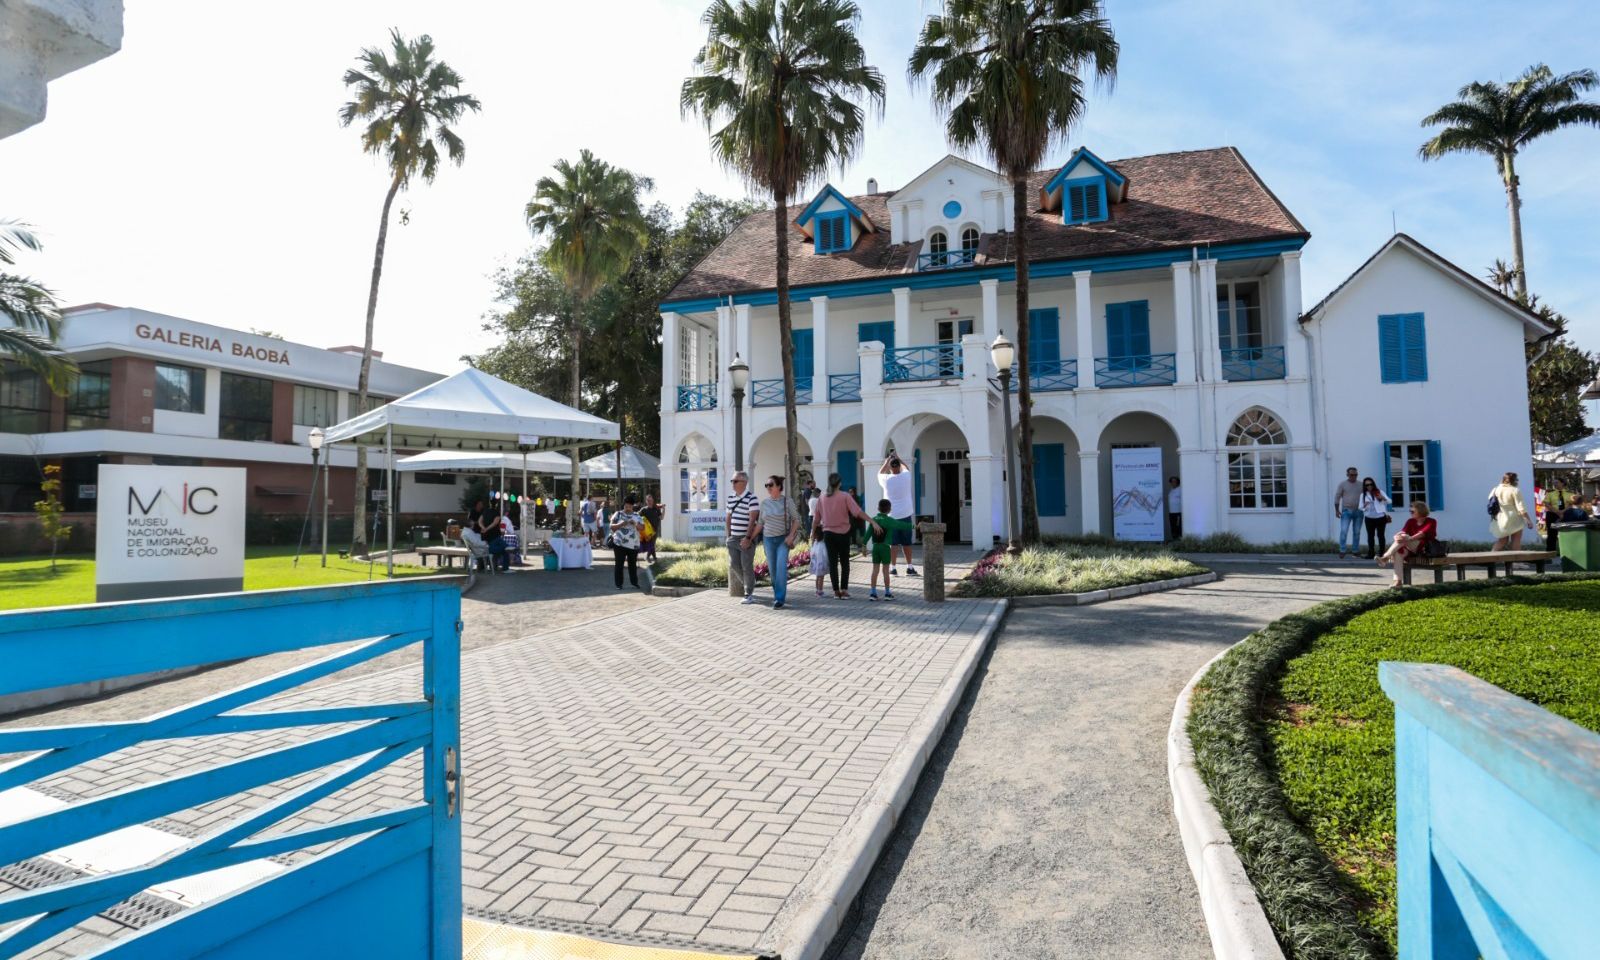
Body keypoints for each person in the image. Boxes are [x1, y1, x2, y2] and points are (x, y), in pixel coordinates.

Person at [813, 472, 873, 599]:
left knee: (833, 563)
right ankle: (844, 590)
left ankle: (836, 591)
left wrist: (812, 533)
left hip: (828, 534)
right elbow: (858, 512)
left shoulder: (822, 497)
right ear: (839, 483)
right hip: (844, 533)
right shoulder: (845, 496)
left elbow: (816, 519)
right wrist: (872, 521)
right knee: (845, 563)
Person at [757, 476, 803, 609]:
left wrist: (790, 535)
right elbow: (760, 523)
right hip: (768, 539)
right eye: (766, 485)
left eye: (771, 485)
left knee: (781, 566)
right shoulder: (764, 503)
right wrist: (750, 537)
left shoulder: (787, 501)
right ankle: (777, 592)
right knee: (772, 569)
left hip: (783, 539)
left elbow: (796, 519)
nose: (768, 488)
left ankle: (779, 598)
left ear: (779, 487)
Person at [865, 498, 914, 600]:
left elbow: (867, 534)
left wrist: (863, 545)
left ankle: (873, 593)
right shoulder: (890, 521)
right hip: (885, 548)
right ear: (889, 509)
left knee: (875, 570)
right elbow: (902, 525)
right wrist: (914, 526)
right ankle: (887, 593)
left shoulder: (873, 520)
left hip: (875, 548)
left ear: (878, 508)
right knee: (886, 571)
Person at [1379, 501, 1437, 587]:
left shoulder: (1431, 521)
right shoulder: (1410, 521)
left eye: (1413, 512)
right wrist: (1396, 537)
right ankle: (1398, 581)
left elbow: (1422, 533)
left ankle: (1386, 557)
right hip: (1410, 547)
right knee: (1398, 553)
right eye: (1410, 511)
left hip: (1424, 548)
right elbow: (1402, 531)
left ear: (1420, 511)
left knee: (1404, 537)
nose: (1410, 513)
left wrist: (1409, 538)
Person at [724, 472, 760, 604]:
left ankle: (748, 592)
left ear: (744, 483)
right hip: (733, 538)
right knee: (734, 564)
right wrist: (729, 535)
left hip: (745, 538)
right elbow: (728, 517)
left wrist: (748, 538)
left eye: (735, 481)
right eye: (732, 481)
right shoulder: (730, 498)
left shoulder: (752, 498)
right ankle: (749, 583)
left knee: (746, 565)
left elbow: (753, 519)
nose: (732, 483)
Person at [879, 454, 918, 576]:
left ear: (890, 468)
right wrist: (899, 458)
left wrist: (886, 461)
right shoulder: (906, 476)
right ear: (899, 467)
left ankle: (893, 567)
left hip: (892, 516)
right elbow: (906, 467)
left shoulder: (886, 479)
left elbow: (880, 472)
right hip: (906, 514)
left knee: (893, 544)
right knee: (907, 543)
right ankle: (910, 567)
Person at [1488, 471, 1534, 550]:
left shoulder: (1495, 489)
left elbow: (1490, 500)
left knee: (1502, 540)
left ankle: (1491, 557)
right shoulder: (1515, 490)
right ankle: (1515, 560)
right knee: (1516, 540)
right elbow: (1521, 508)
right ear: (1514, 480)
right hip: (1514, 518)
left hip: (1500, 517)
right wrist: (1528, 520)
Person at [609, 496, 644, 589]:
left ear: (632, 506)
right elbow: (611, 526)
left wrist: (635, 523)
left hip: (634, 545)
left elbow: (642, 528)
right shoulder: (618, 514)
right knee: (619, 565)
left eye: (629, 506)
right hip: (619, 544)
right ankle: (618, 584)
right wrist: (622, 523)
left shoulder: (637, 515)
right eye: (626, 506)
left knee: (632, 565)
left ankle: (634, 583)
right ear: (623, 505)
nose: (627, 508)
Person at [1333, 466, 1363, 558]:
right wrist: (1337, 510)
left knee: (1357, 532)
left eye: (1355, 475)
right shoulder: (1342, 484)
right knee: (1344, 531)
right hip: (1346, 511)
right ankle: (1342, 550)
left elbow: (1367, 496)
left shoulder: (1361, 484)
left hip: (1359, 511)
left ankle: (1355, 550)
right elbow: (1337, 497)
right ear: (1347, 475)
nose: (1354, 476)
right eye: (1352, 475)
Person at [1358, 477, 1391, 560]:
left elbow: (1389, 501)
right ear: (1364, 486)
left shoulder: (1379, 492)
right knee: (1370, 536)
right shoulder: (1363, 495)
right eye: (1367, 485)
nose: (1369, 486)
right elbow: (1360, 507)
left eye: (1371, 484)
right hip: (1369, 518)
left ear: (1373, 484)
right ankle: (1371, 553)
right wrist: (1365, 506)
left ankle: (1382, 553)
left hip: (1380, 517)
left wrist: (1382, 498)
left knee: (1381, 535)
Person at [477, 504, 509, 572]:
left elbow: (479, 521)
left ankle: (493, 566)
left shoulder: (485, 511)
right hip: (495, 536)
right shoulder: (496, 513)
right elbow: (495, 523)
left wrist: (483, 528)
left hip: (486, 538)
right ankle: (505, 568)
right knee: (506, 549)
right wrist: (487, 529)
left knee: (501, 549)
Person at [639, 493, 662, 562]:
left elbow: (661, 517)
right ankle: (648, 557)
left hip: (655, 529)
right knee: (651, 544)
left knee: (652, 543)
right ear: (646, 501)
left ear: (653, 501)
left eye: (651, 500)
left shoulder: (656, 509)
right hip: (647, 531)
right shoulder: (643, 510)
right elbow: (637, 516)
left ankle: (654, 557)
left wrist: (663, 509)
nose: (649, 501)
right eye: (648, 500)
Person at [1166, 476, 1183, 541]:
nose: (1173, 483)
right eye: (1171, 481)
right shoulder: (1171, 490)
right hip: (1171, 513)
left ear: (1177, 482)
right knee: (1173, 527)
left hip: (1178, 513)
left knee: (1178, 527)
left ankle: (1179, 541)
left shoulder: (1180, 489)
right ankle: (1174, 541)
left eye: (1174, 481)